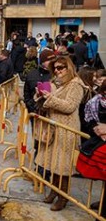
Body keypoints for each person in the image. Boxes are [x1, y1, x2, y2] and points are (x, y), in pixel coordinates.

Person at [34, 56, 89, 211]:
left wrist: (50, 98)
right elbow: (52, 103)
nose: (57, 71)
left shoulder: (76, 84)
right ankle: (54, 191)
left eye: (60, 68)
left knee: (63, 166)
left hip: (67, 130)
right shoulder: (58, 83)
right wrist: (41, 96)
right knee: (54, 163)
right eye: (55, 68)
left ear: (68, 68)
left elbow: (70, 106)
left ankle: (63, 197)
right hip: (55, 128)